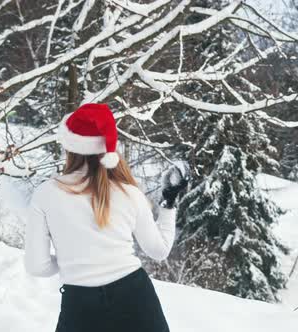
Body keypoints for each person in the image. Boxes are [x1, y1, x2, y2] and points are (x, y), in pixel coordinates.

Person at [24, 103, 189, 332]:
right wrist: (168, 203)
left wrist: (72, 263)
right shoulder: (128, 193)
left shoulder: (46, 194)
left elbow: (37, 266)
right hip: (136, 299)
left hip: (80, 307)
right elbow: (159, 251)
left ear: (70, 145)